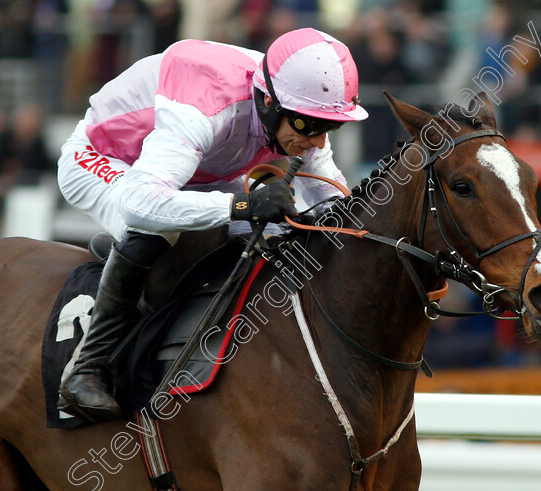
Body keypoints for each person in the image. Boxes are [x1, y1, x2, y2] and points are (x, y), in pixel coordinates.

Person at [56, 28, 368, 420]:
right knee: (154, 229)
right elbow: (141, 202)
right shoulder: (205, 108)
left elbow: (335, 203)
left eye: (330, 128)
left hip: (200, 170)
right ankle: (87, 367)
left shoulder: (297, 104)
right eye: (308, 127)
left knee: (277, 233)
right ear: (269, 102)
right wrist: (243, 203)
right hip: (109, 160)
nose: (319, 142)